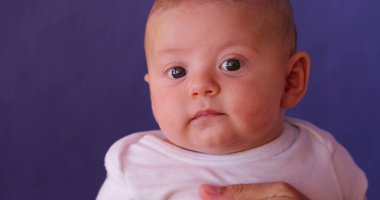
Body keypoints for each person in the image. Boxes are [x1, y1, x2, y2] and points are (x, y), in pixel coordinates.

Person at [97, 0, 368, 199]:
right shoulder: (137, 168)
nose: (201, 87)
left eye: (231, 65)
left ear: (291, 80)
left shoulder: (323, 158)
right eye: (177, 71)